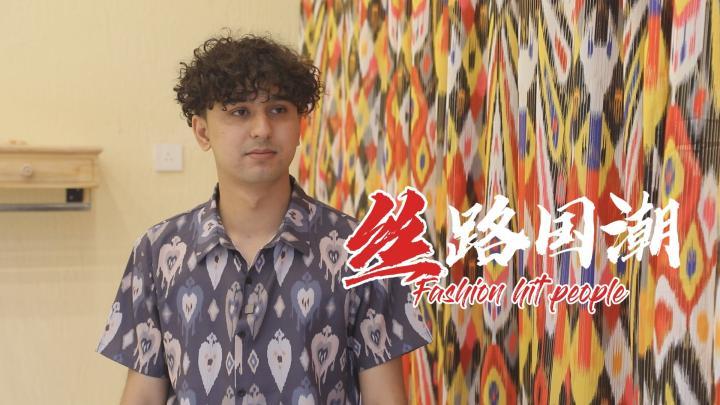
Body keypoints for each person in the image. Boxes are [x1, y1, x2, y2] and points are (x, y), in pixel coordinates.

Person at [97, 33, 432, 405]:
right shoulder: (158, 252)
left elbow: (385, 396)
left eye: (278, 110)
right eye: (240, 111)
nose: (262, 128)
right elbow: (144, 394)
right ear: (202, 131)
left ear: (300, 124)